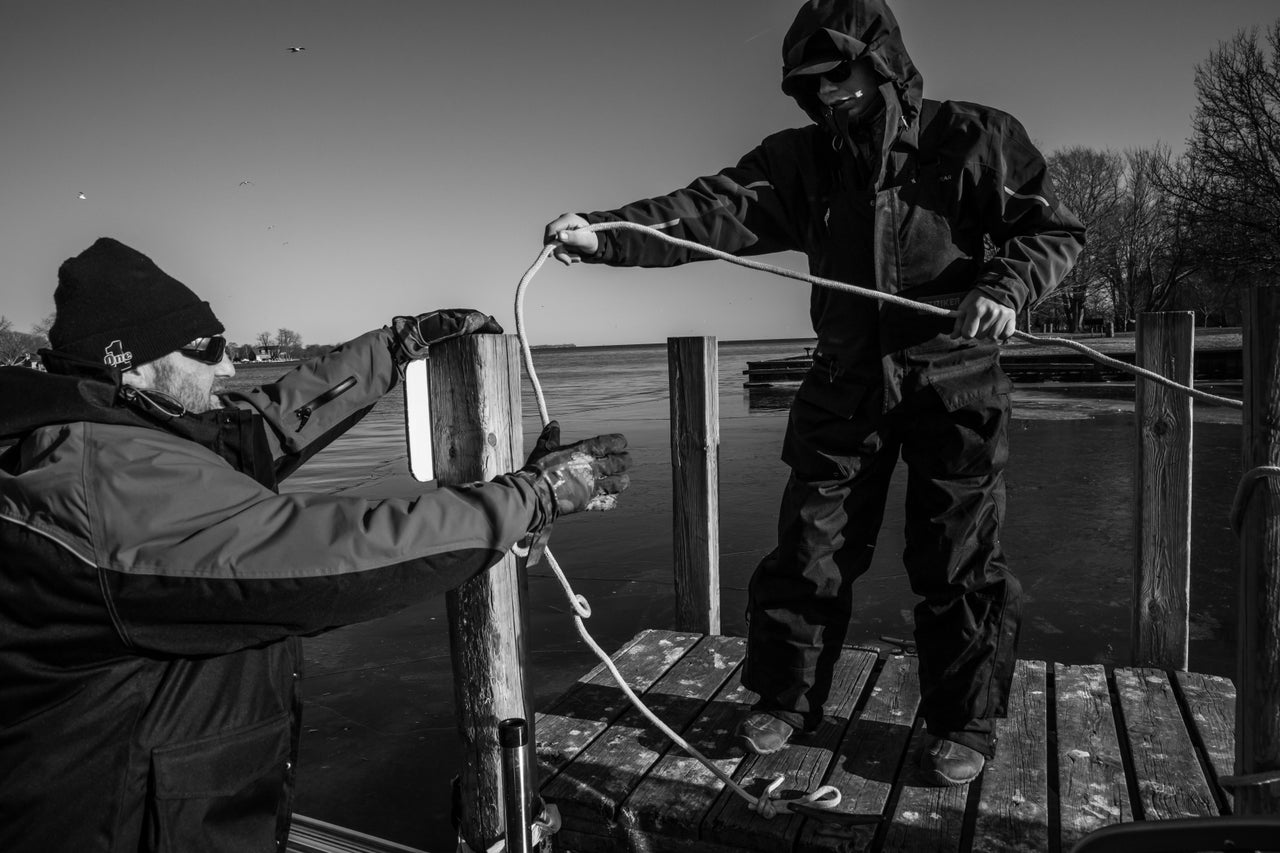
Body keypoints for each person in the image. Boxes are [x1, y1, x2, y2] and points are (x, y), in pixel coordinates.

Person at [543, 0, 1084, 786]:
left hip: (955, 385)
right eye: (812, 83)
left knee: (959, 560)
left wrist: (1009, 282)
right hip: (843, 390)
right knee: (810, 549)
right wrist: (605, 234)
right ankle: (786, 701)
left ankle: (964, 722)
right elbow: (706, 211)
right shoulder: (799, 162)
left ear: (883, 59)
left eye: (842, 73)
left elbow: (1055, 231)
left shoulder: (974, 137)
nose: (830, 93)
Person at [0, 237, 632, 852]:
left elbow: (267, 422)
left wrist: (396, 346)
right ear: (129, 364)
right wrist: (530, 497)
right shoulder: (105, 491)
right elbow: (342, 554)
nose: (227, 364)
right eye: (206, 347)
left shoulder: (112, 438)